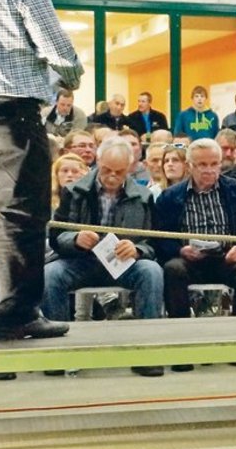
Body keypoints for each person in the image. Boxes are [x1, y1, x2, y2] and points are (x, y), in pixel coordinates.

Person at [0, 0, 82, 342]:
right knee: (21, 215)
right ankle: (17, 314)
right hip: (11, 113)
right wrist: (70, 76)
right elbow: (57, 49)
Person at [43, 137, 165, 376]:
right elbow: (57, 236)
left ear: (130, 167)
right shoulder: (74, 191)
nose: (111, 176)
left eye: (119, 172)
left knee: (151, 271)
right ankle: (56, 353)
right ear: (97, 162)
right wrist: (75, 240)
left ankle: (148, 353)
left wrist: (138, 249)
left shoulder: (144, 196)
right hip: (80, 261)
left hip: (125, 263)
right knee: (50, 275)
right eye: (106, 169)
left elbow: (155, 242)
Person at [154, 138, 236, 337]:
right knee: (172, 269)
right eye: (202, 165)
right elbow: (160, 239)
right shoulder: (170, 196)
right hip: (189, 260)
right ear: (189, 166)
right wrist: (180, 250)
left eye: (214, 164)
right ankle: (182, 336)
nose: (209, 170)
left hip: (226, 258)